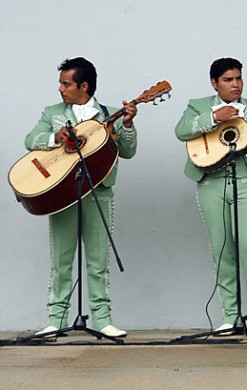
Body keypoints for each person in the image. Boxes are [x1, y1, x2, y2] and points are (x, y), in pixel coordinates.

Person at [26, 57, 138, 338]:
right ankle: (57, 318)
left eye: (66, 83)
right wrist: (56, 137)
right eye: (61, 83)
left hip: (98, 191)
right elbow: (31, 140)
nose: (61, 89)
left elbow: (128, 151)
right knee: (61, 260)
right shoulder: (52, 112)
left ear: (83, 86)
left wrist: (126, 124)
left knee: (98, 260)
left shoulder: (108, 114)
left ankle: (102, 319)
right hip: (62, 192)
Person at [175, 58, 247, 335]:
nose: (235, 84)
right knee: (222, 249)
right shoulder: (198, 106)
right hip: (211, 183)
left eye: (238, 78)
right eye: (228, 80)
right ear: (214, 83)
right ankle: (230, 315)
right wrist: (214, 118)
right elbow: (181, 131)